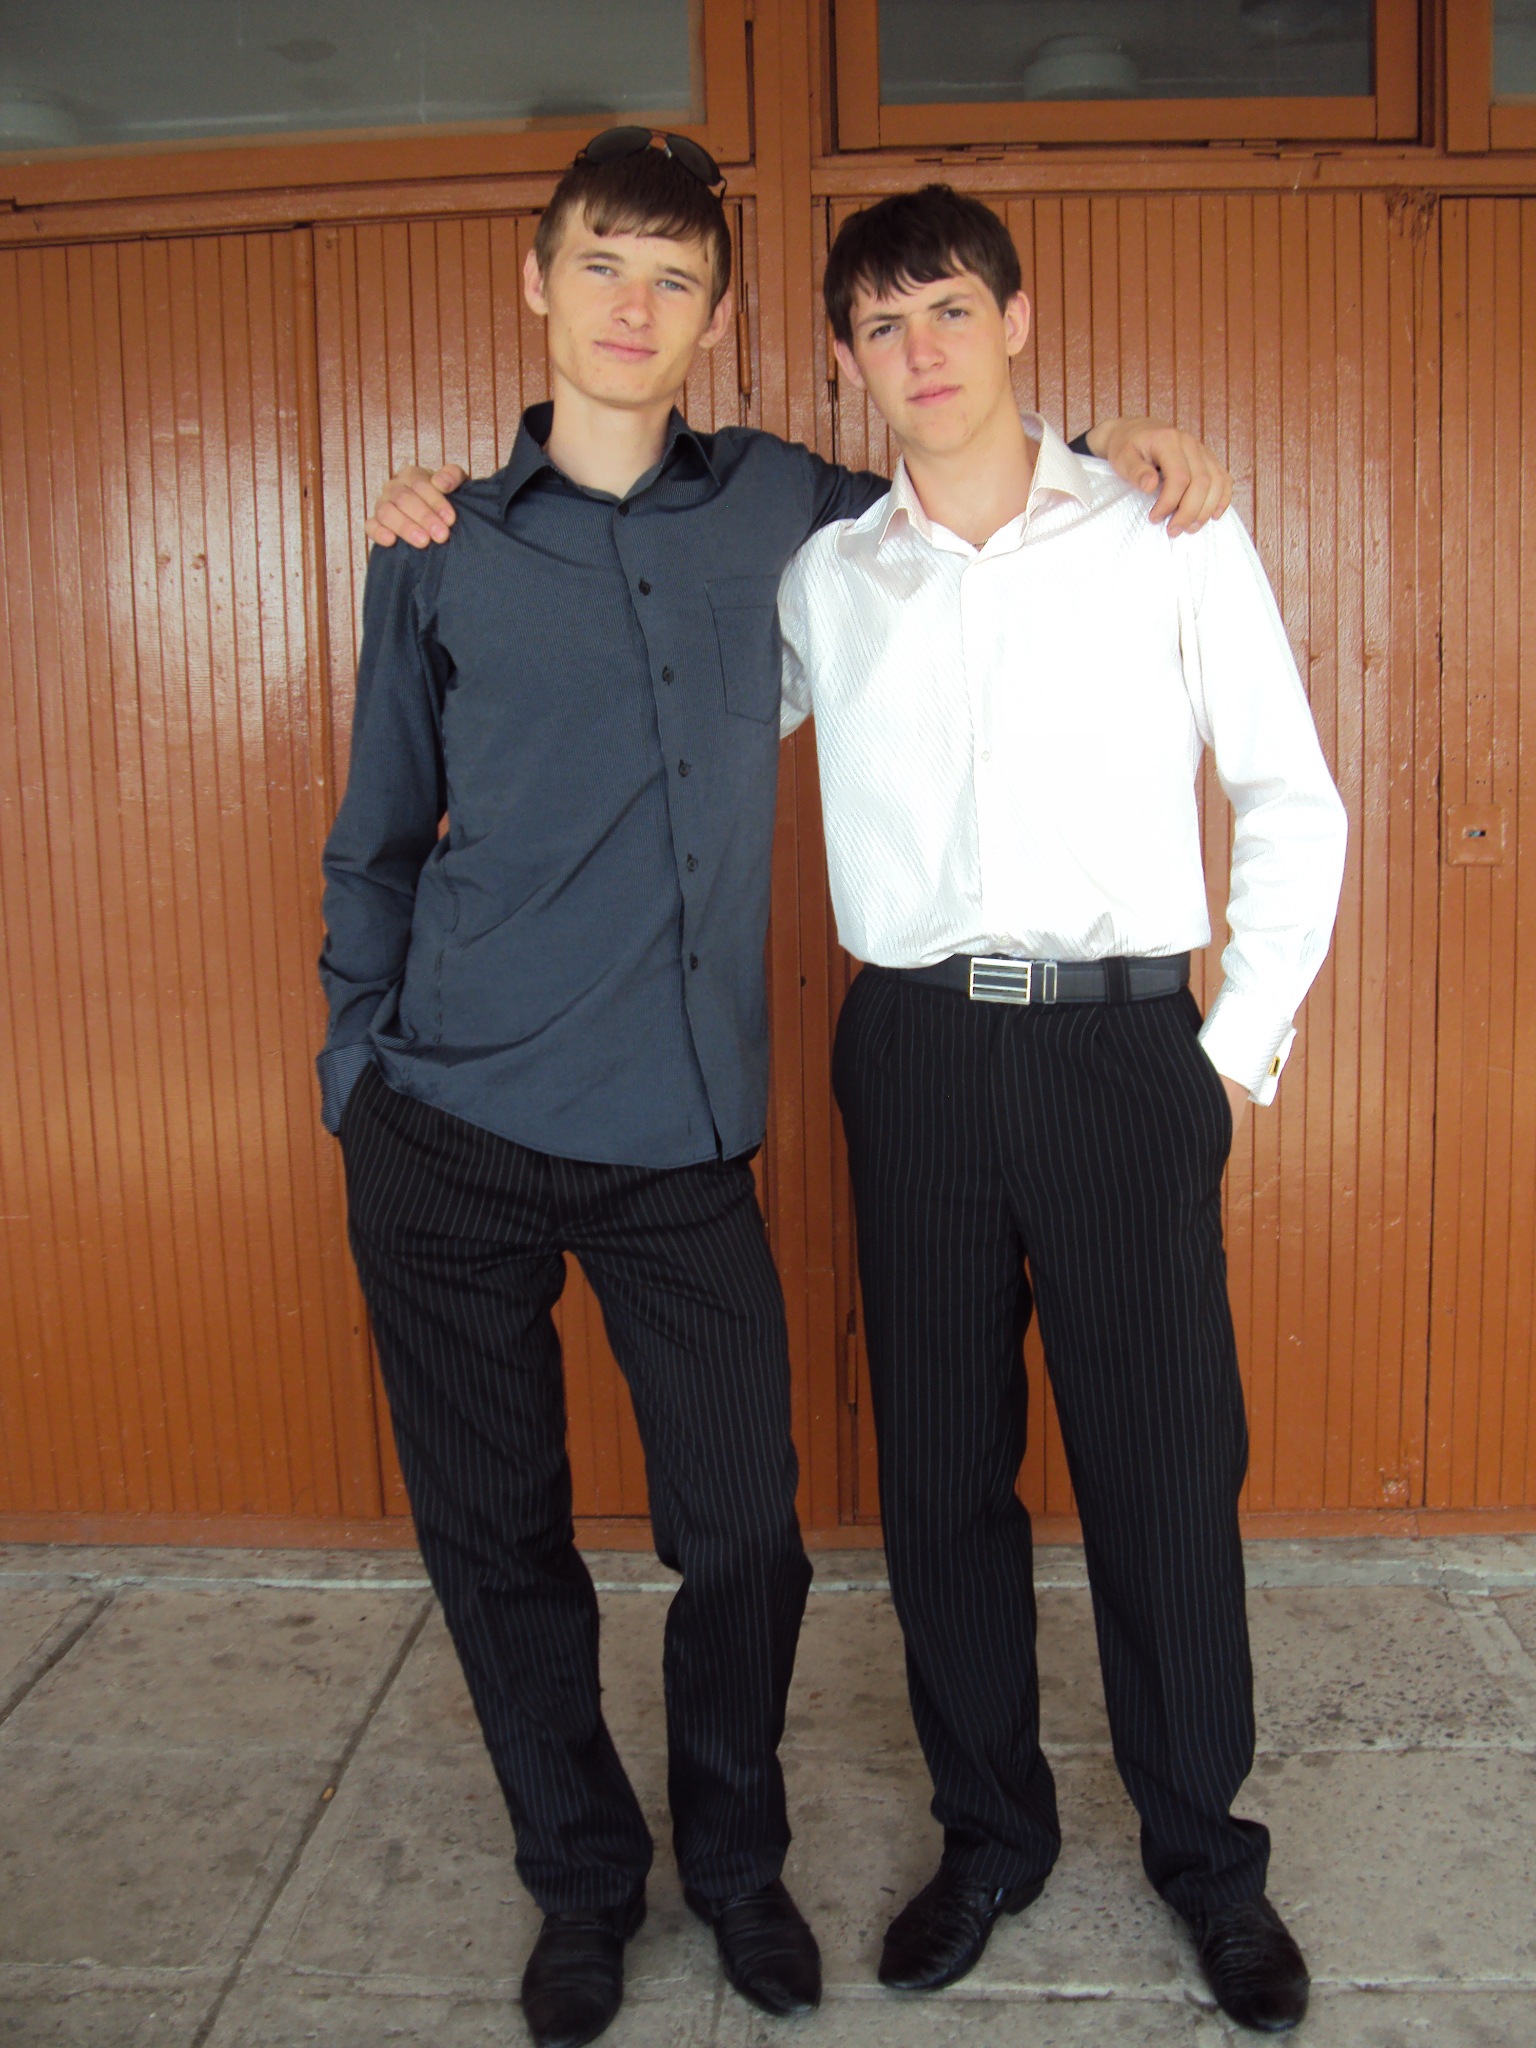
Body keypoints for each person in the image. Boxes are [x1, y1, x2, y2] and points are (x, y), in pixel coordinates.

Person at [338, 130, 1231, 2048]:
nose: (633, 307)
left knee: (748, 1530)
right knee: (498, 1542)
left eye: (673, 278)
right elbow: (376, 834)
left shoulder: (792, 514)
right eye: (601, 266)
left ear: (722, 321)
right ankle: (585, 1885)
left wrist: (1125, 444)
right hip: (446, 1125)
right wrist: (353, 1065)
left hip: (677, 1134)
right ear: (539, 285)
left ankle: (740, 1873)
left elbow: (974, 462)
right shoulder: (437, 543)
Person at [771, 184, 1348, 2035]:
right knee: (941, 1476)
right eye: (881, 324)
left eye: (948, 306)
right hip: (915, 1054)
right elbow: (662, 696)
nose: (920, 348)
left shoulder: (1166, 526)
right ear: (846, 360)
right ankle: (991, 1838)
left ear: (1016, 317)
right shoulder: (824, 577)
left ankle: (1208, 1861)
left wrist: (1228, 1053)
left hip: (1121, 1054)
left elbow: (1290, 792)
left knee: (1164, 1473)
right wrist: (453, 517)